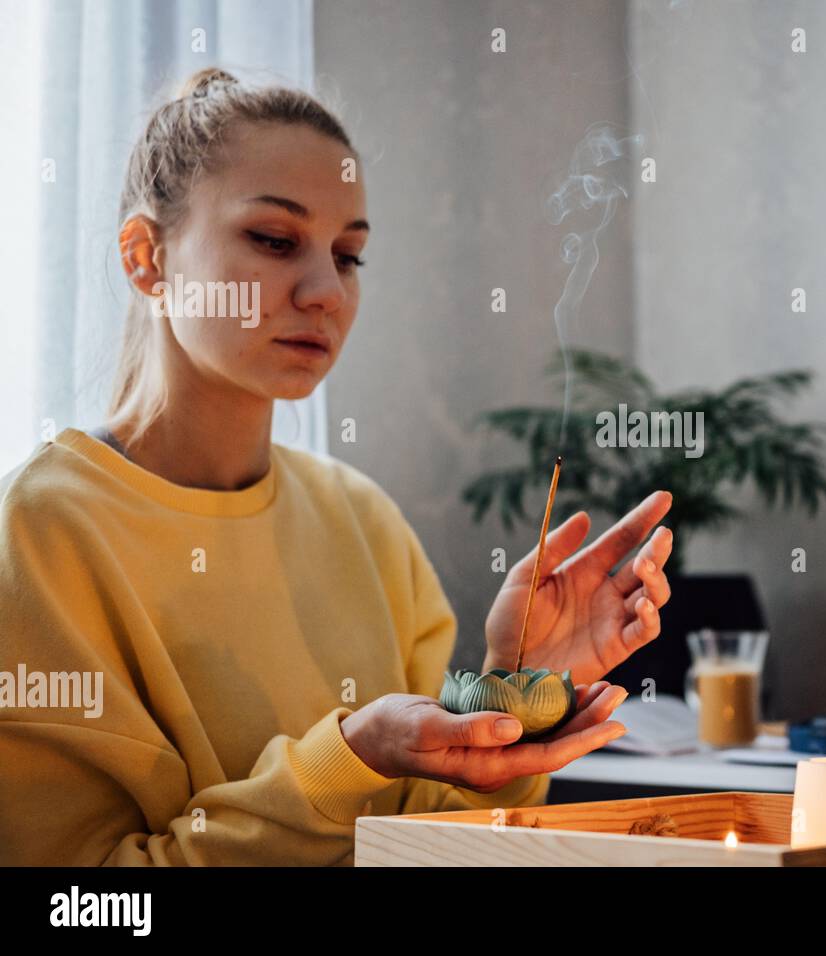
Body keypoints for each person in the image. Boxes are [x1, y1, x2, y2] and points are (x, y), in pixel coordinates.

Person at [0, 68, 674, 866]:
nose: (325, 291)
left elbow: (432, 846)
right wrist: (348, 756)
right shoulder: (44, 531)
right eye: (275, 241)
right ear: (148, 258)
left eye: (349, 255)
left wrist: (511, 698)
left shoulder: (364, 520)